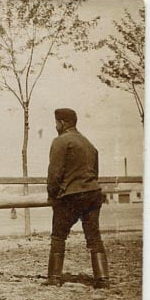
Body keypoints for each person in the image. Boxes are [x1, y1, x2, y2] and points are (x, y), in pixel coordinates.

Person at [45, 108, 109, 289]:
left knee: (58, 235)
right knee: (94, 237)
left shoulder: (60, 141)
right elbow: (95, 173)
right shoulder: (89, 144)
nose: (55, 126)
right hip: (93, 194)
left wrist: (53, 196)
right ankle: (103, 278)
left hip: (71, 196)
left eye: (56, 122)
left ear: (62, 123)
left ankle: (54, 278)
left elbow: (55, 174)